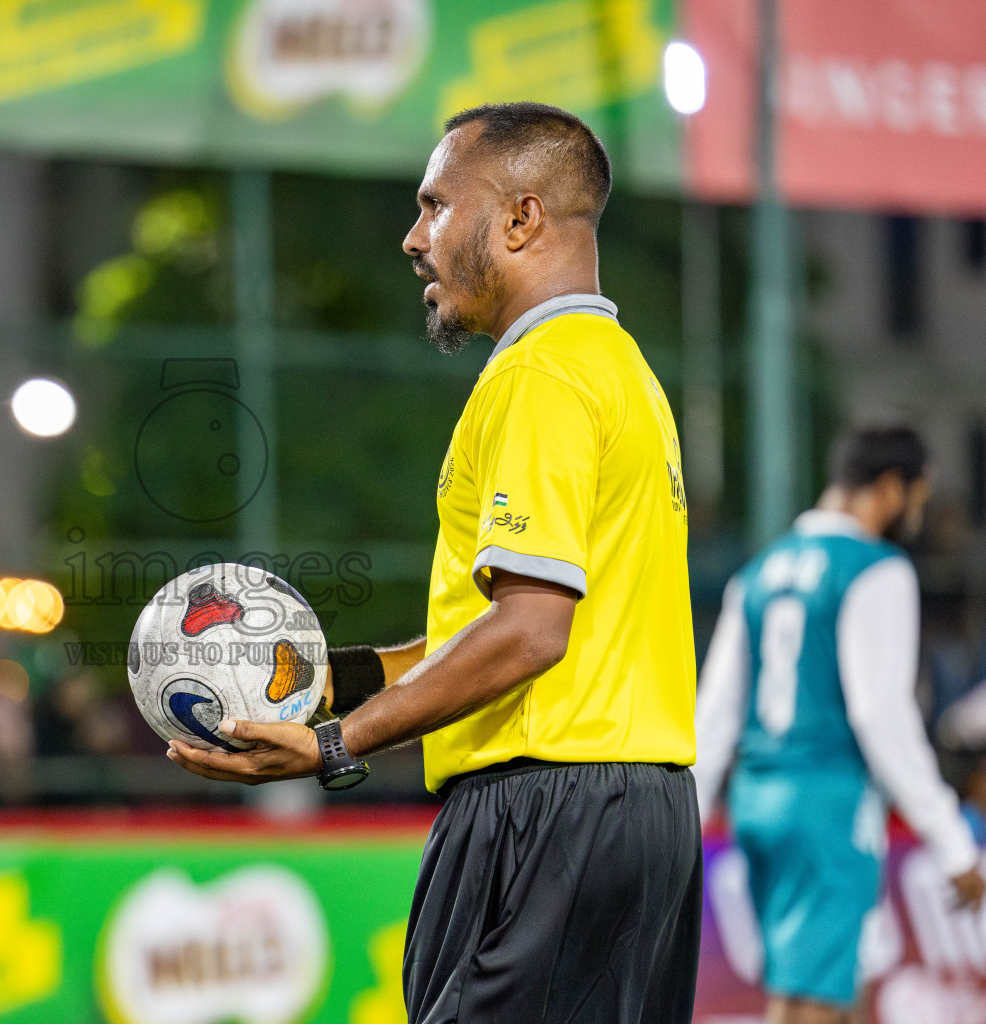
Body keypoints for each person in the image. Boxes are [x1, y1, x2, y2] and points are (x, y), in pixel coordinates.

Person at [168, 102, 700, 1022]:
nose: (414, 239)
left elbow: (530, 632)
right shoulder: (620, 369)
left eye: (435, 206)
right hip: (639, 812)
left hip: (546, 812)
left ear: (521, 218)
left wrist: (335, 744)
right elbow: (501, 631)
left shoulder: (539, 377)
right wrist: (331, 681)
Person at [694, 427, 985, 1024]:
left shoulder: (760, 570)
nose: (915, 513)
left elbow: (716, 710)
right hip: (828, 802)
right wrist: (952, 840)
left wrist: (686, 818)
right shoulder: (876, 568)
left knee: (826, 984)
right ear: (888, 487)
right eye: (917, 497)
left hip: (758, 800)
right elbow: (881, 715)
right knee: (813, 1003)